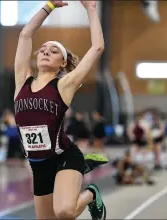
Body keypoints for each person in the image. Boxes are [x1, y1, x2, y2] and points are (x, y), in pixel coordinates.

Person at [13, 1, 107, 219]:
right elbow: (25, 35)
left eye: (53, 51)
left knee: (64, 212)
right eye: (43, 50)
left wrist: (91, 10)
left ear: (62, 63)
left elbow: (97, 48)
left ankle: (91, 194)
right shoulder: (22, 83)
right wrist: (49, 6)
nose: (46, 52)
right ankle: (85, 166)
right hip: (38, 164)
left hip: (63, 156)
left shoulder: (64, 86)